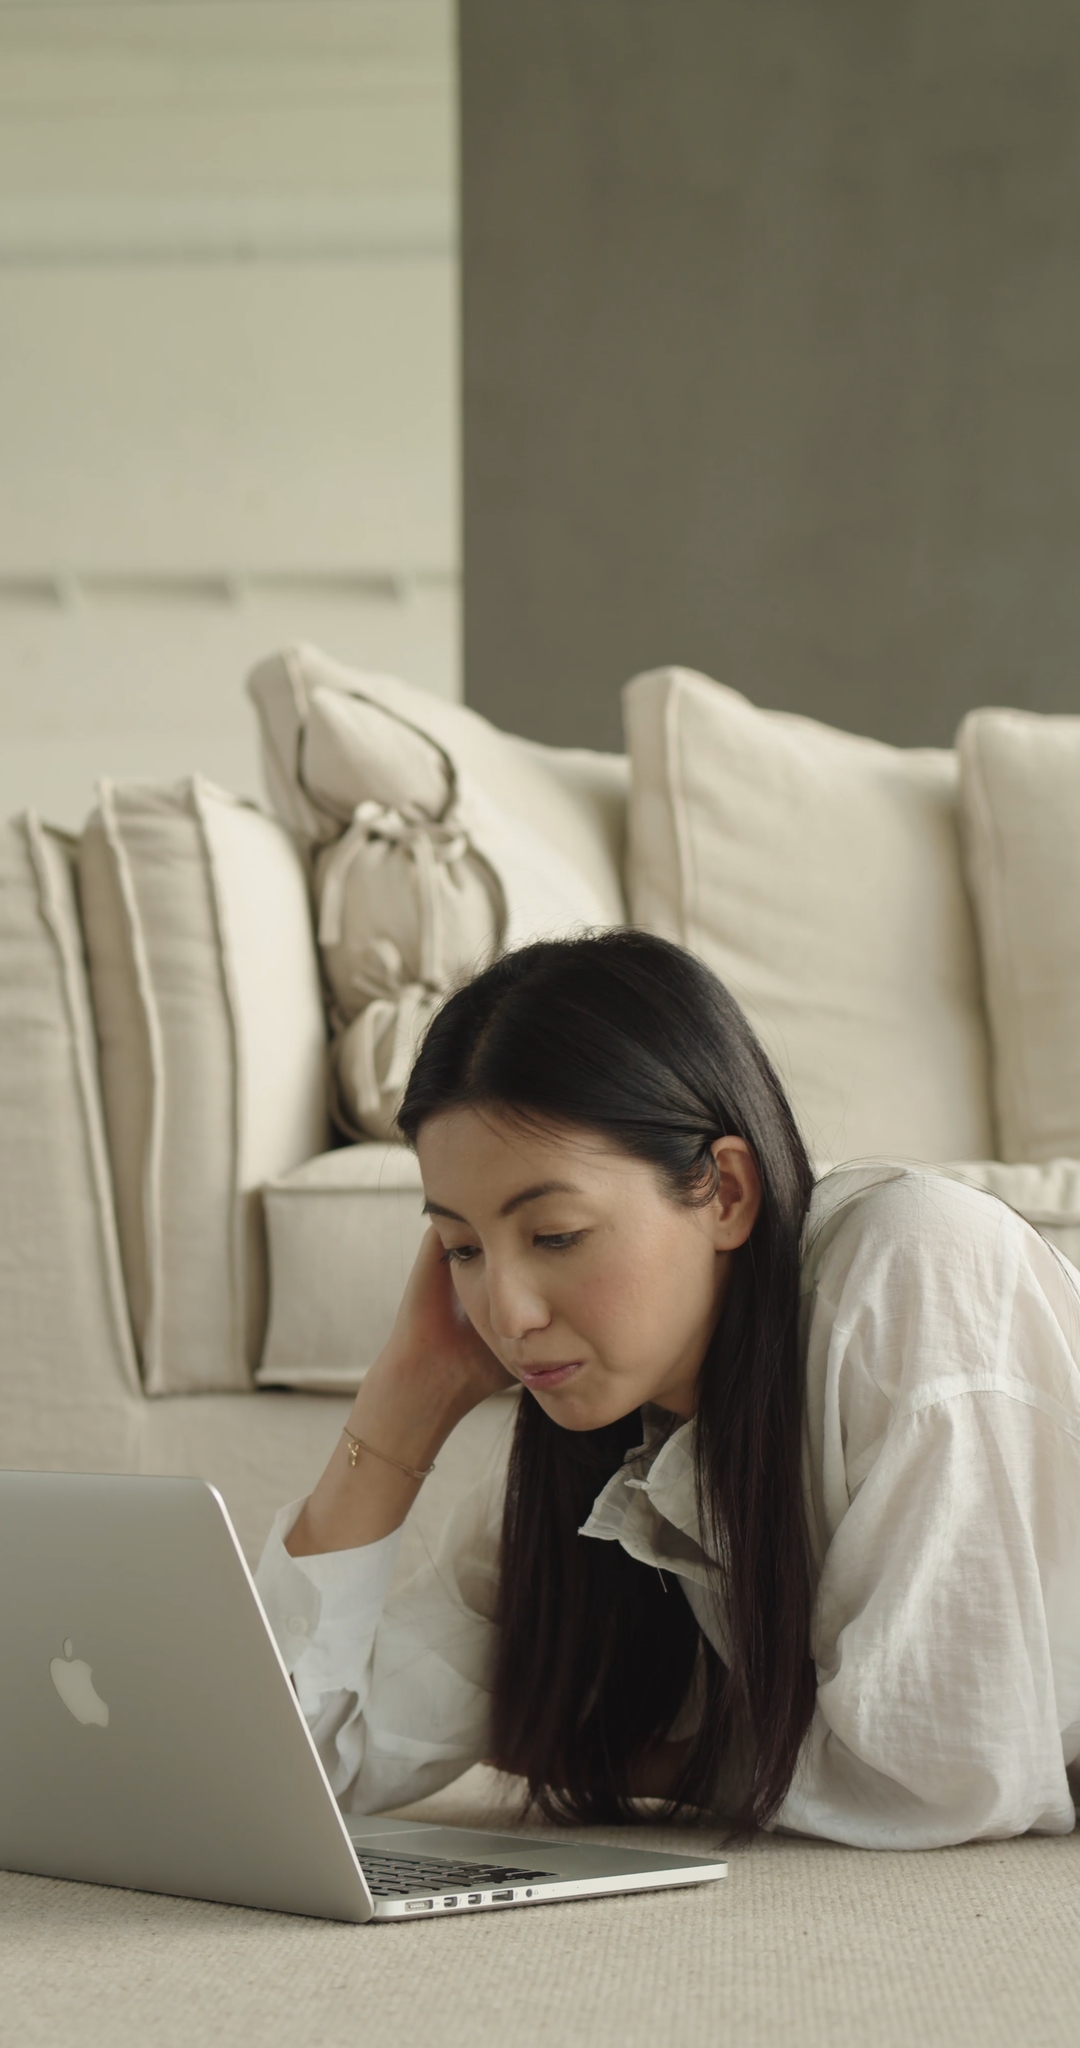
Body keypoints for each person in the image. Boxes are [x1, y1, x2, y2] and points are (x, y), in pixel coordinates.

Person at [255, 930, 1080, 1849]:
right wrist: (402, 1402)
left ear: (725, 1191)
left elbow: (941, 1775)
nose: (507, 1311)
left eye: (556, 1234)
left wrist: (631, 1755)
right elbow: (292, 1760)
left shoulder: (913, 1269)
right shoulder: (619, 1441)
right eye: (462, 1248)